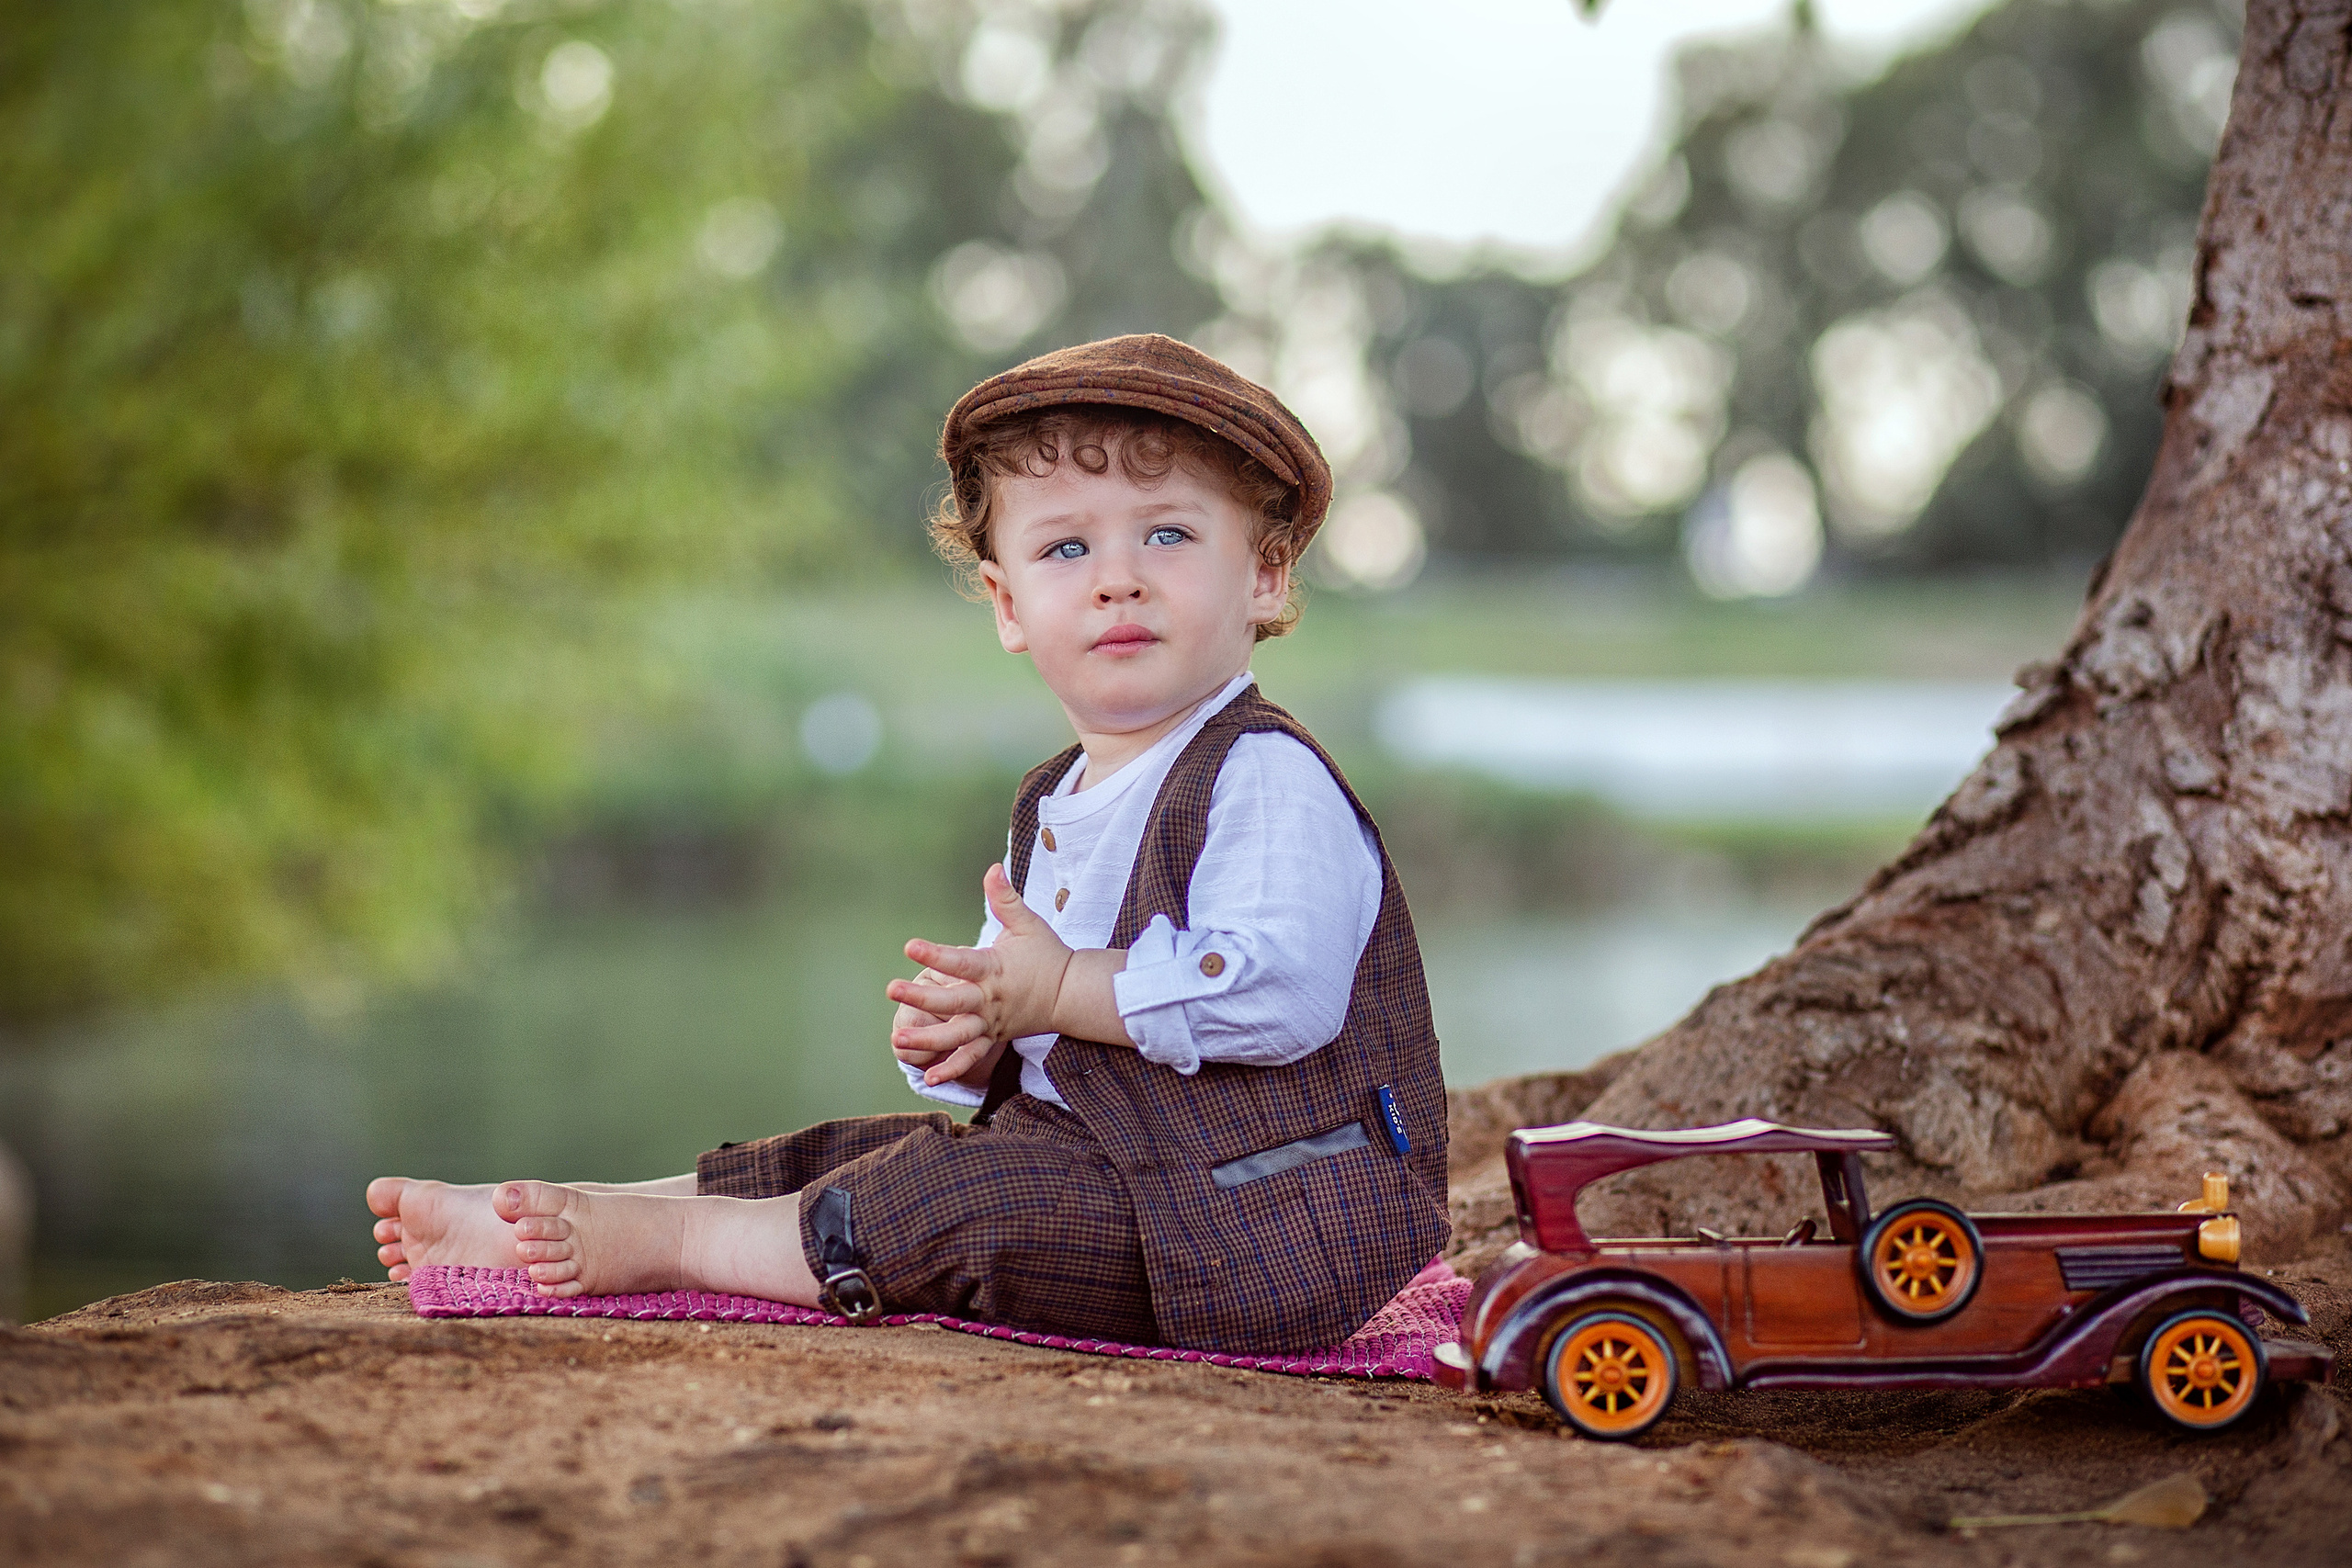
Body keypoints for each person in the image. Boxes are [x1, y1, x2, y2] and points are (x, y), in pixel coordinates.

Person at [366, 335, 1448, 1353]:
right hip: (1130, 1171)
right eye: (1065, 546)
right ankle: (579, 1213)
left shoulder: (1262, 772)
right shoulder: (1058, 797)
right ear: (1007, 602)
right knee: (861, 1150)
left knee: (957, 1202)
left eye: (1167, 533)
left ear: (1263, 574)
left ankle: (669, 1248)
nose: (1117, 576)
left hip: (1258, 1217)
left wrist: (1059, 989)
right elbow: (1022, 1004)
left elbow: (1283, 993)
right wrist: (971, 1032)